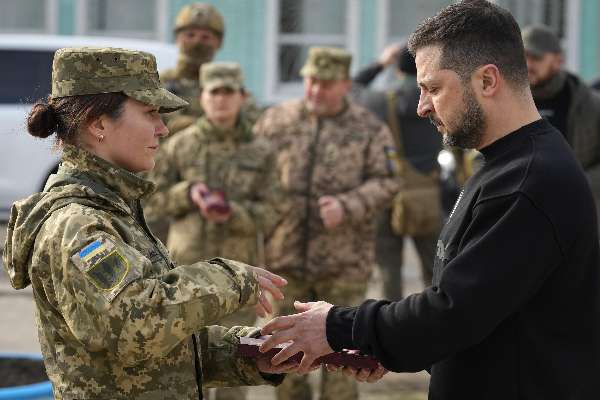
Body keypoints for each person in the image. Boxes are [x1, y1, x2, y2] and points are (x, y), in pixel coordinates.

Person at [258, 1, 600, 399]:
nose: (421, 107)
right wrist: (388, 344)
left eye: (434, 88)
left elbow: (455, 312)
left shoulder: (528, 180)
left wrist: (339, 326)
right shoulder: (505, 165)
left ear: (488, 81)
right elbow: (486, 316)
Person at [1, 47, 293, 400]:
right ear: (99, 124)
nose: (163, 129)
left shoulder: (115, 207)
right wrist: (230, 279)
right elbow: (136, 323)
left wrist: (254, 355)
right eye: (151, 113)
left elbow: (157, 355)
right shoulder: (78, 225)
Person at [253, 46, 399, 400]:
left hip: (344, 263)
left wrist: (348, 205)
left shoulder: (369, 129)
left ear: (346, 85)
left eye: (326, 83)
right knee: (286, 358)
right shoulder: (276, 121)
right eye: (311, 81)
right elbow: (251, 175)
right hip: (285, 259)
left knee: (341, 362)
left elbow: (389, 182)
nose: (316, 90)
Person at [145, 61, 285, 400]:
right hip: (185, 274)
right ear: (202, 97)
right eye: (214, 92)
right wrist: (188, 193)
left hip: (240, 276)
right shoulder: (180, 145)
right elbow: (150, 203)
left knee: (237, 369)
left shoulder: (262, 150)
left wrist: (234, 214)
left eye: (228, 92)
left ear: (241, 97)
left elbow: (275, 210)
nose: (221, 100)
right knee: (183, 369)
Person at [352, 44, 443, 300]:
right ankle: (432, 326)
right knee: (434, 271)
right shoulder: (439, 101)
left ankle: (391, 330)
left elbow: (352, 88)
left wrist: (380, 63)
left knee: (389, 271)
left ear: (398, 68)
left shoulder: (379, 101)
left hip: (387, 193)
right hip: (427, 193)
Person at [522, 25, 600, 215]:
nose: (528, 64)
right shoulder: (503, 100)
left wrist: (577, 183)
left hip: (573, 213)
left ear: (558, 61)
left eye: (536, 58)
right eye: (523, 56)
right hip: (519, 211)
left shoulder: (588, 104)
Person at [161, 2, 262, 136]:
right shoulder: (159, 85)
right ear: (178, 38)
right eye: (190, 35)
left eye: (206, 37)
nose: (197, 42)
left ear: (219, 42)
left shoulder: (232, 89)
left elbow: (253, 128)